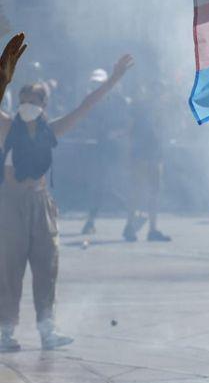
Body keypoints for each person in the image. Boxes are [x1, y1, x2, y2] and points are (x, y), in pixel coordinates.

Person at [1, 51, 134, 351]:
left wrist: (113, 79)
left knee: (46, 267)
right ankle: (5, 331)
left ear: (44, 105)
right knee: (9, 270)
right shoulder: (8, 129)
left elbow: (86, 106)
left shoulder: (53, 130)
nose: (28, 106)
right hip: (10, 206)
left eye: (34, 101)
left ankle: (47, 329)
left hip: (40, 204)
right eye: (24, 100)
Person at [80, 67, 131, 236]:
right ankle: (91, 221)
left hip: (116, 149)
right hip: (101, 148)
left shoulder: (118, 100)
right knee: (101, 185)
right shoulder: (92, 101)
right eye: (93, 83)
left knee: (112, 184)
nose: (95, 86)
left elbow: (129, 124)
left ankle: (132, 217)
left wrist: (115, 134)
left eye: (98, 83)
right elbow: (88, 122)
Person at [123, 82, 171, 242]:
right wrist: (130, 154)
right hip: (141, 154)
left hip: (154, 153)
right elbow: (130, 130)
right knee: (137, 191)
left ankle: (152, 229)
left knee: (154, 192)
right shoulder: (139, 108)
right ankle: (130, 226)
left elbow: (161, 132)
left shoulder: (159, 110)